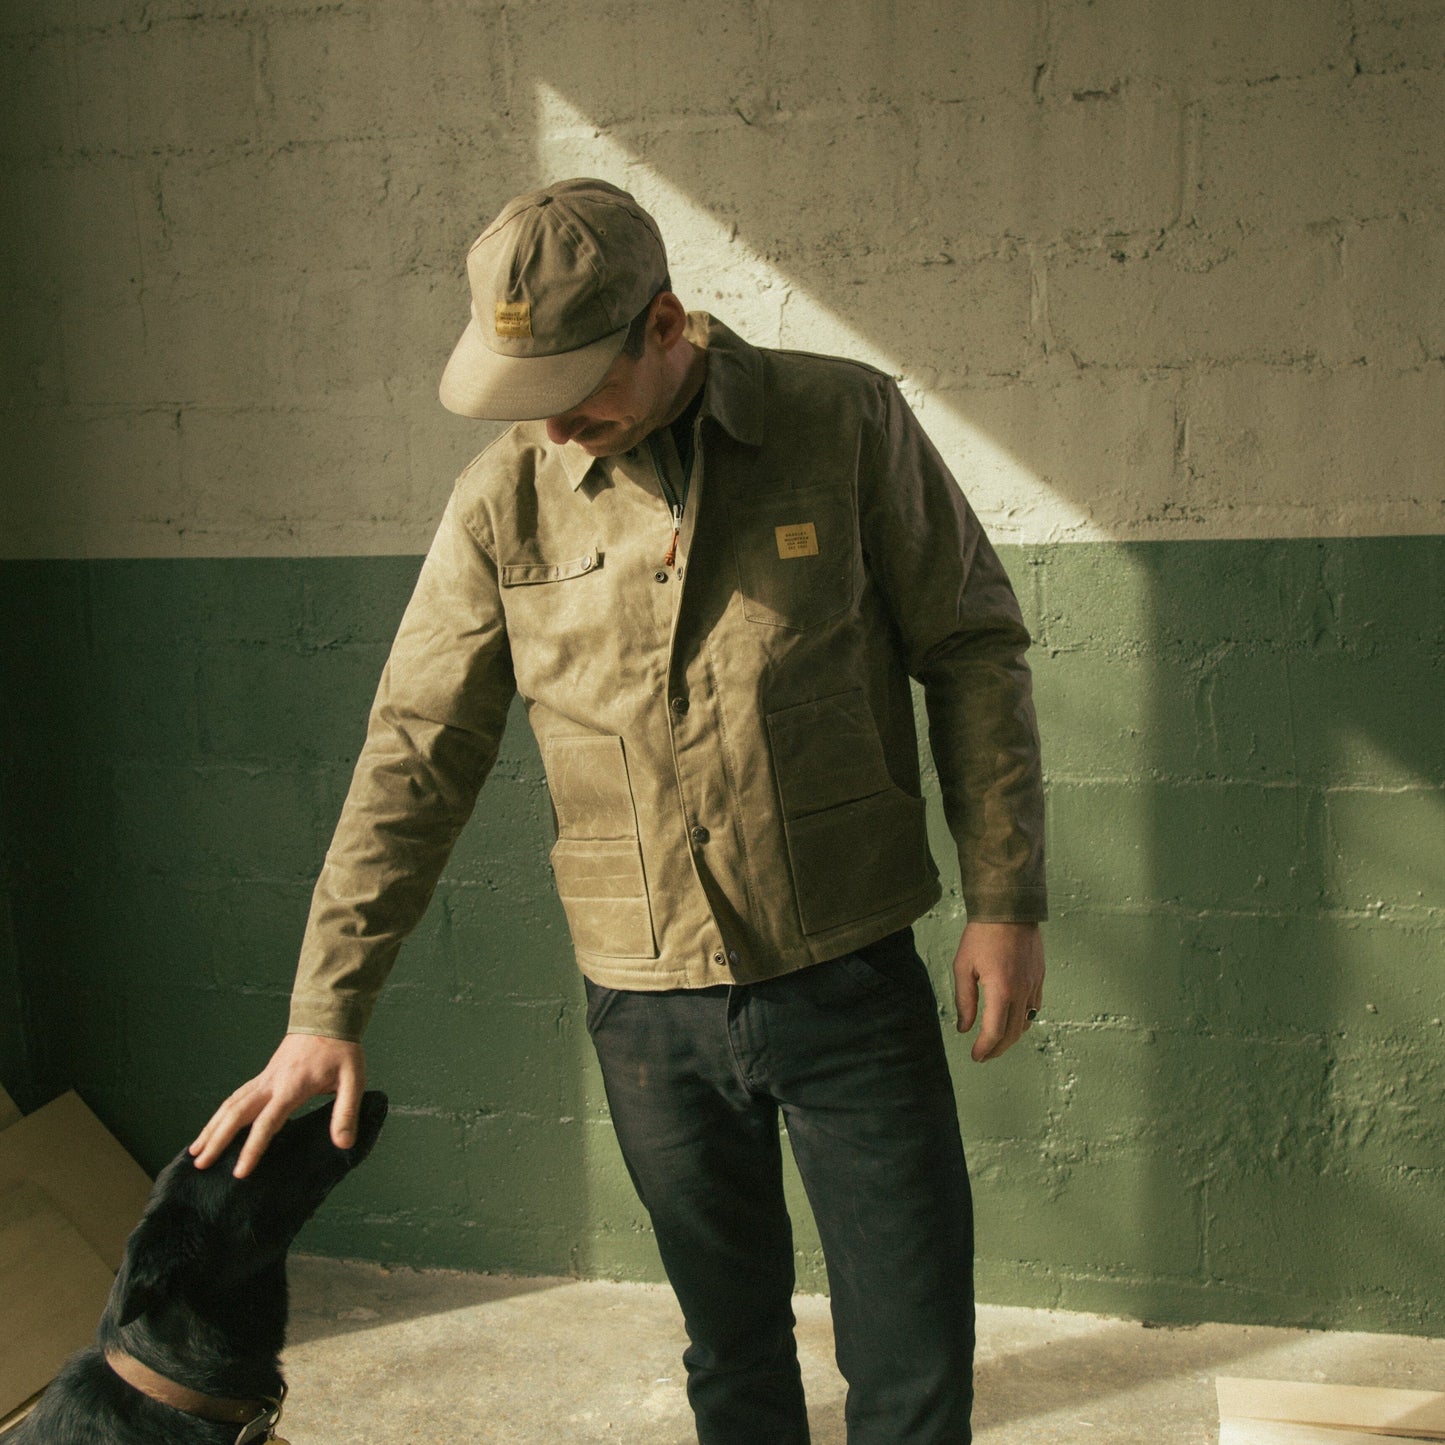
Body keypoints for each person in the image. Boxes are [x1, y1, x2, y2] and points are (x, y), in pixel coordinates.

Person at [191, 177, 1046, 1444]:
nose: (549, 428)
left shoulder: (842, 422)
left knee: (912, 1356)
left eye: (574, 391)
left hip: (848, 974)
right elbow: (414, 753)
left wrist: (1004, 898)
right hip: (645, 1007)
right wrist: (327, 1005)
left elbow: (971, 649)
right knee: (734, 1354)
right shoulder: (501, 503)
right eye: (523, 398)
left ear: (665, 327)